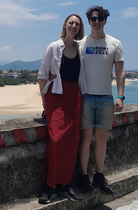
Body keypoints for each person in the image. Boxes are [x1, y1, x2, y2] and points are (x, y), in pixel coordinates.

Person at [37, 14, 87, 204]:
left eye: (77, 24)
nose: (73, 25)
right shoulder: (53, 47)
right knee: (56, 141)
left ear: (79, 28)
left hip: (75, 97)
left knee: (72, 141)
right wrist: (44, 103)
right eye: (71, 22)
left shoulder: (80, 50)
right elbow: (42, 76)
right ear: (65, 25)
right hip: (56, 97)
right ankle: (49, 186)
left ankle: (64, 185)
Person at [77, 5, 125, 196]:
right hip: (86, 96)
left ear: (105, 21)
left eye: (100, 19)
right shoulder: (81, 43)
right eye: (93, 19)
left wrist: (120, 96)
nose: (97, 22)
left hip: (106, 96)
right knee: (86, 138)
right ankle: (83, 177)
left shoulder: (115, 43)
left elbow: (120, 72)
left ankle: (99, 175)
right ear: (88, 21)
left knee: (102, 139)